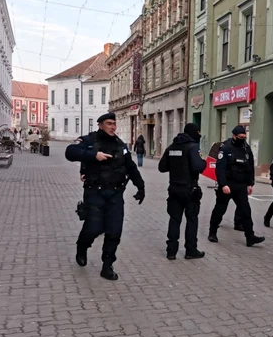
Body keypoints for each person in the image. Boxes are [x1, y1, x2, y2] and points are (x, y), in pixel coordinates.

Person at [66, 112, 145, 281]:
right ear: (100, 125)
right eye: (109, 123)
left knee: (114, 231)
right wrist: (93, 156)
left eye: (114, 124)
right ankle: (82, 247)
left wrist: (141, 186)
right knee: (94, 228)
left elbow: (131, 167)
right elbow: (70, 152)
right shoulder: (89, 140)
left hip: (115, 194)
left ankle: (107, 266)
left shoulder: (120, 145)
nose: (113, 127)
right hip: (95, 192)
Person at [208, 125, 265, 247]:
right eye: (240, 137)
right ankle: (212, 232)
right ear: (234, 136)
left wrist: (250, 183)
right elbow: (220, 168)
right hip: (227, 185)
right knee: (220, 209)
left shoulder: (246, 148)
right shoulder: (226, 148)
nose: (242, 139)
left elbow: (250, 167)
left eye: (244, 137)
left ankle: (250, 237)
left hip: (241, 185)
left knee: (246, 211)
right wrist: (223, 184)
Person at [158, 123, 207, 261]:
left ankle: (171, 251)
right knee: (191, 220)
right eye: (198, 131)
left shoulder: (172, 147)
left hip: (174, 189)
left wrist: (175, 166)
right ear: (193, 133)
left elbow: (162, 167)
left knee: (174, 220)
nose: (199, 134)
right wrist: (204, 162)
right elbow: (198, 167)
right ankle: (191, 250)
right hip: (189, 190)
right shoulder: (192, 147)